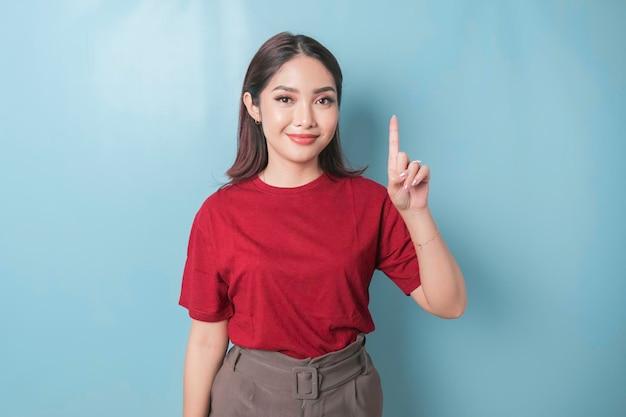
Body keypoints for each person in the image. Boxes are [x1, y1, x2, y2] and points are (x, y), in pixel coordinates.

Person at [179, 32, 466, 417]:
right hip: (249, 397)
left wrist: (415, 212)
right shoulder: (219, 214)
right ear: (253, 105)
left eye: (323, 100)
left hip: (349, 395)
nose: (306, 119)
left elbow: (449, 304)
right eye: (285, 98)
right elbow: (205, 340)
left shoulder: (370, 201)